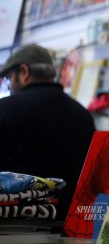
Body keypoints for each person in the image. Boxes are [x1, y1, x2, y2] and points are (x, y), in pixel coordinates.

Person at [0, 44, 96, 222]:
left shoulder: (4, 109)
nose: (9, 85)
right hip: (67, 225)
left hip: (11, 225)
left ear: (23, 72)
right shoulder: (83, 115)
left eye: (9, 78)